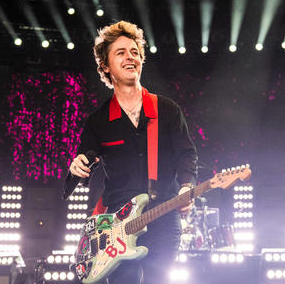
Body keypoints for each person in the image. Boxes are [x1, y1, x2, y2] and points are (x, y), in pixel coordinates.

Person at [67, 20, 198, 284]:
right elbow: (85, 163)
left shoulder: (167, 110)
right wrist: (76, 167)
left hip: (164, 216)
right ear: (105, 66)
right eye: (121, 52)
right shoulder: (98, 121)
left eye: (135, 52)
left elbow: (187, 155)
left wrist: (187, 186)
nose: (131, 57)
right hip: (117, 226)